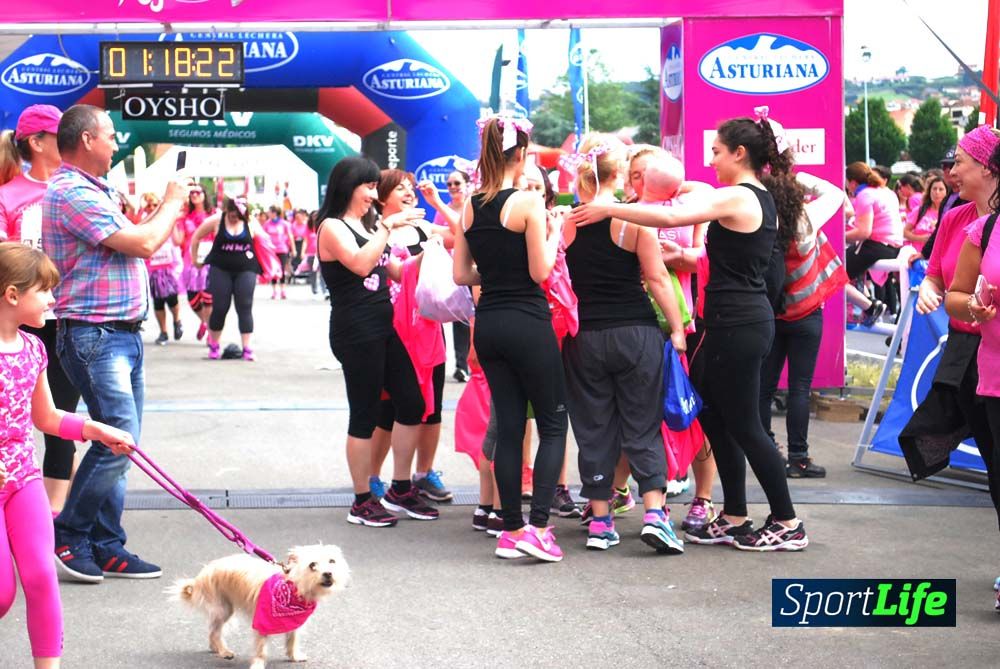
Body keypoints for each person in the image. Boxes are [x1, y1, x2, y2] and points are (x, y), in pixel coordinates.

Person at [567, 111, 808, 552]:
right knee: (713, 418)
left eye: (716, 151)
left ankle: (787, 521)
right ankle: (734, 514)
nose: (711, 160)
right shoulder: (740, 195)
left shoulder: (741, 196)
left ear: (740, 153)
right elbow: (687, 197)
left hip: (740, 324)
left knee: (747, 426)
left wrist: (608, 207)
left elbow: (672, 216)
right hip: (726, 323)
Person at [42, 104, 192, 581]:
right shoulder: (70, 192)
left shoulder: (94, 189)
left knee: (122, 443)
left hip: (117, 333)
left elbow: (133, 239)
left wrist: (161, 208)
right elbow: (144, 243)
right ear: (86, 139)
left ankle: (106, 543)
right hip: (95, 333)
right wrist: (172, 201)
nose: (116, 142)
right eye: (109, 135)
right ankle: (69, 534)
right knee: (118, 440)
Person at [0, 243, 137, 668]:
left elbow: (46, 416)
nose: (53, 300)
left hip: (22, 480)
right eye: (44, 290)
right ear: (12, 294)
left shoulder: (33, 349)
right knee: (2, 593)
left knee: (42, 576)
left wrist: (95, 428)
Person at [561, 133, 686, 554]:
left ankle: (600, 521)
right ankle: (655, 514)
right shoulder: (635, 220)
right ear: (618, 174)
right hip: (636, 333)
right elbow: (656, 279)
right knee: (642, 423)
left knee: (594, 427)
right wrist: (677, 329)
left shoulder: (567, 223)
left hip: (584, 337)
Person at [453, 115, 568, 562]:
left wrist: (496, 274)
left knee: (509, 427)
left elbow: (461, 274)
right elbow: (540, 272)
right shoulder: (527, 202)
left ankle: (511, 529)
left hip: (490, 325)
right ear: (520, 154)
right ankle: (538, 528)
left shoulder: (469, 205)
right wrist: (554, 234)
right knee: (553, 423)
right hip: (527, 321)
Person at [316, 156, 433, 527]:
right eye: (367, 187)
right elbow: (361, 264)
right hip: (355, 330)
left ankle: (400, 487)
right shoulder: (331, 227)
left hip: (384, 325)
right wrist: (386, 226)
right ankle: (362, 499)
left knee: (411, 403)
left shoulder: (367, 225)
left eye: (373, 187)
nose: (372, 194)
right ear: (348, 187)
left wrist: (428, 250)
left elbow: (393, 271)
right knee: (364, 414)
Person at [914, 126, 1000, 609]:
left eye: (960, 163)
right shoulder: (960, 218)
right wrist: (936, 294)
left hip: (985, 352)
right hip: (970, 355)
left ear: (988, 167)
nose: (950, 174)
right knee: (995, 463)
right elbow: (939, 277)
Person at [0, 105, 83, 515]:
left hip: (67, 320)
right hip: (20, 326)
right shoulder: (8, 195)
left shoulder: (79, 190)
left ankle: (56, 521)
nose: (70, 140)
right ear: (36, 142)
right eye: (59, 134)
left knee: (60, 424)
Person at [755, 153, 848, 479]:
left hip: (772, 314)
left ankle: (767, 453)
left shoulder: (759, 224)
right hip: (807, 314)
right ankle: (799, 458)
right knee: (799, 388)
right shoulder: (806, 219)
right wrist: (797, 179)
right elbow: (835, 193)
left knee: (764, 388)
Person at [369, 169, 453, 504]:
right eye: (399, 188)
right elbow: (393, 273)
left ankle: (423, 473)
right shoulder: (375, 231)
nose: (408, 192)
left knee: (432, 407)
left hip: (428, 325)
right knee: (388, 409)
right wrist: (423, 254)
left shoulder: (422, 226)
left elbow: (461, 235)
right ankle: (373, 476)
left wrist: (438, 203)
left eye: (410, 187)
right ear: (381, 197)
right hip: (393, 328)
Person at [944, 141, 1000, 612]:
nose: (952, 172)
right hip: (994, 374)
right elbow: (955, 295)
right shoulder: (983, 228)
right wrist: (974, 308)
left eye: (960, 163)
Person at [189, 197, 263, 361]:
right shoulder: (217, 220)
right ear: (226, 211)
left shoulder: (251, 222)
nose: (234, 219)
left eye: (238, 216)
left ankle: (247, 348)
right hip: (220, 268)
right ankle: (214, 345)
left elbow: (265, 241)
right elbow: (196, 237)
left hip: (246, 268)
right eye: (231, 216)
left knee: (244, 306)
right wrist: (195, 260)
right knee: (220, 307)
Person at [422, 169, 473, 382]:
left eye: (457, 183)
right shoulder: (442, 211)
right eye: (449, 184)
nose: (452, 187)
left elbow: (467, 234)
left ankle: (475, 363)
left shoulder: (472, 206)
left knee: (473, 317)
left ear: (467, 184)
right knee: (458, 317)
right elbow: (438, 240)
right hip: (451, 270)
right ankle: (461, 365)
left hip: (474, 269)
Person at [844, 161, 904, 326]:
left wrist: (839, 237)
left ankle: (870, 306)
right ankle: (870, 302)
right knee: (849, 269)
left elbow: (864, 232)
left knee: (832, 274)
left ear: (853, 182)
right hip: (892, 246)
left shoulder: (865, 195)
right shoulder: (886, 191)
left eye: (846, 182)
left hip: (877, 246)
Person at [140, 193, 185, 346]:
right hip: (153, 268)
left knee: (172, 298)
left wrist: (173, 223)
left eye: (155, 205)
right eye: (149, 206)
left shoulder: (167, 221)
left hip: (168, 266)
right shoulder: (144, 224)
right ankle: (163, 332)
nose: (152, 208)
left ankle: (177, 321)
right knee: (158, 302)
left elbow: (178, 241)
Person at [178, 184, 214, 339]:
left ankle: (210, 332)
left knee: (208, 297)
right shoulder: (186, 217)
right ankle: (205, 322)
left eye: (198, 192)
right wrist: (175, 222)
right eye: (191, 192)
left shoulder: (213, 215)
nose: (194, 195)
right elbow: (178, 240)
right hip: (190, 262)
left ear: (204, 195)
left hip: (209, 261)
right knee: (192, 299)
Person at [904, 176, 946, 255]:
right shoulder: (919, 210)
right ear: (929, 191)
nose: (937, 192)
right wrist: (920, 238)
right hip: (916, 254)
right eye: (934, 189)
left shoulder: (948, 213)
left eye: (941, 189)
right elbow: (905, 232)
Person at [264, 205, 294, 299]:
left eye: (269, 212)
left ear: (274, 213)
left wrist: (293, 249)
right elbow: (263, 236)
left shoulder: (284, 224)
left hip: (282, 249)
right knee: (273, 270)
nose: (268, 213)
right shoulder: (267, 224)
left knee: (282, 269)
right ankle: (274, 291)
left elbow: (290, 236)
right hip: (271, 250)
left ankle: (283, 290)